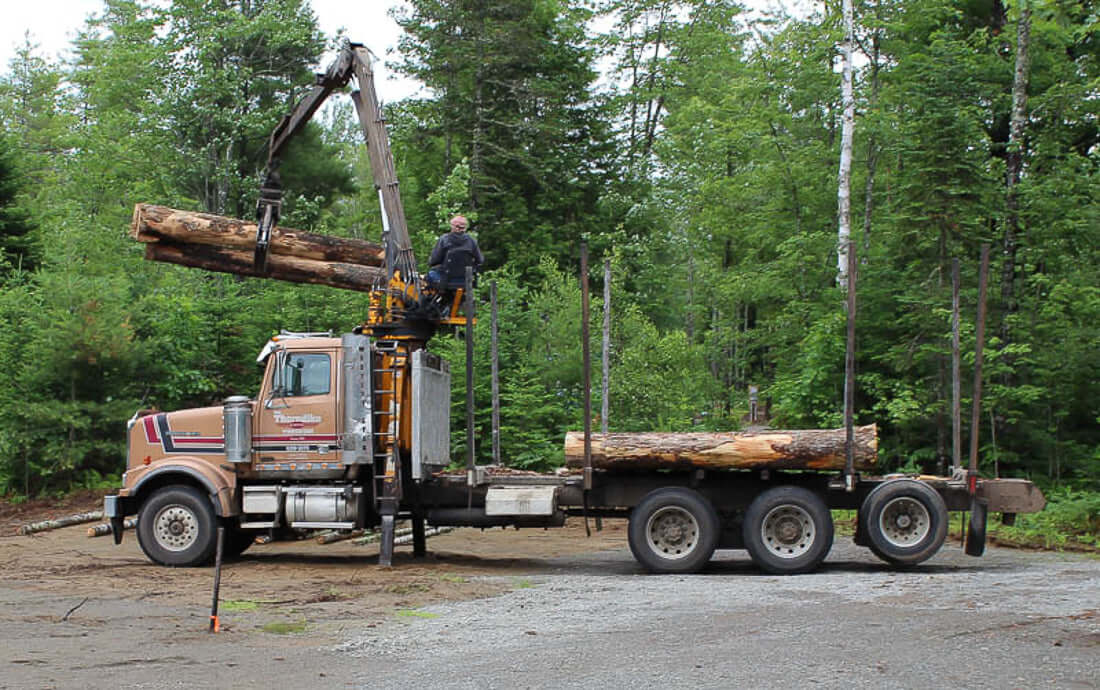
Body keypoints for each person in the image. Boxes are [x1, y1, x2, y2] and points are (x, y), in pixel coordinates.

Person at [426, 215, 483, 288]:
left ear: (454, 226)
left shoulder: (444, 239)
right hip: (465, 280)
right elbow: (480, 260)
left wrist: (430, 262)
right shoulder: (472, 241)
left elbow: (434, 260)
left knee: (429, 275)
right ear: (465, 227)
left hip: (446, 279)